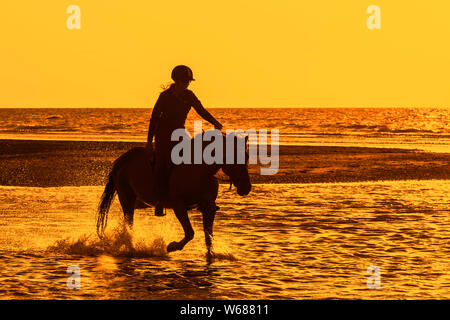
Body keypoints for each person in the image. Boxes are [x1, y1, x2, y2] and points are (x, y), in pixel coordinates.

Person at [147, 65, 223, 216]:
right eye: (184, 81)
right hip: (163, 134)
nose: (187, 83)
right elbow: (154, 118)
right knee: (162, 163)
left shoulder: (189, 95)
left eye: (188, 81)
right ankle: (160, 201)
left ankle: (205, 198)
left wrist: (215, 122)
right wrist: (149, 142)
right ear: (176, 80)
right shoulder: (165, 96)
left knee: (195, 158)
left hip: (180, 132)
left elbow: (201, 110)